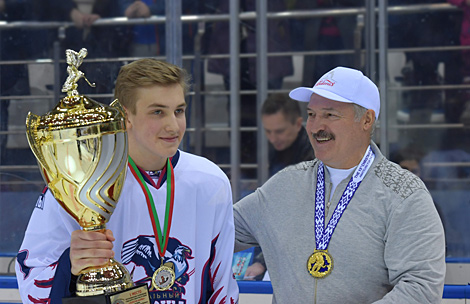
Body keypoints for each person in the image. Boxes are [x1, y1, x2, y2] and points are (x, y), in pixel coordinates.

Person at [15, 58, 239, 303]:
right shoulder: (77, 182)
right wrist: (71, 265)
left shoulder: (210, 181)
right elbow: (30, 273)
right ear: (124, 115)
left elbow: (221, 284)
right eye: (157, 112)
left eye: (179, 111)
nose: (173, 125)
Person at [233, 66, 446, 303]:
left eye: (330, 115)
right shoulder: (284, 185)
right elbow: (218, 231)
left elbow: (421, 287)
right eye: (312, 114)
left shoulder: (404, 194)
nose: (315, 127)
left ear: (366, 120)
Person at [261, 93, 315, 177]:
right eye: (268, 131)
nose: (272, 139)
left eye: (279, 131)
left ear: (298, 124)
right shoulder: (273, 148)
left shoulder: (315, 155)